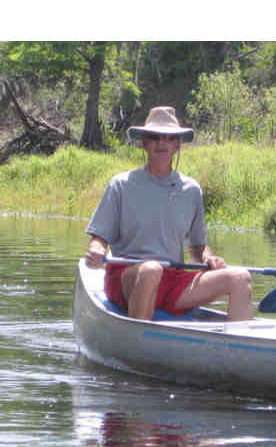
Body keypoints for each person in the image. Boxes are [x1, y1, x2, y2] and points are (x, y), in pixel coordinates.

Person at [84, 106, 253, 321]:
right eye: (155, 137)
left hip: (173, 278)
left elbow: (198, 247)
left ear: (177, 145)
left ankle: (240, 350)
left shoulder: (191, 190)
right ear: (144, 143)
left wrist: (209, 258)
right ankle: (138, 345)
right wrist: (96, 251)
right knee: (151, 270)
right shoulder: (121, 185)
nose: (162, 143)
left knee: (240, 277)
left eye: (169, 138)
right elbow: (99, 239)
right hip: (128, 277)